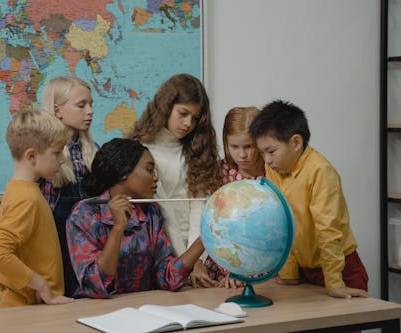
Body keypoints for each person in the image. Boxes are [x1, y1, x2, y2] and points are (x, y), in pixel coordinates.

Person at [249, 100, 369, 299]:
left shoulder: (320, 171)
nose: (267, 160)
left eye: (271, 151)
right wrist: (288, 273)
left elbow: (328, 230)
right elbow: (281, 222)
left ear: (296, 142)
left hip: (339, 269)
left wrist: (334, 282)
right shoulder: (273, 169)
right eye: (262, 153)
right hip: (305, 270)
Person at [66, 138, 206, 298]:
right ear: (124, 172)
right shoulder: (84, 214)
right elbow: (96, 285)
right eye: (149, 169)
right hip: (93, 313)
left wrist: (204, 240)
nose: (155, 178)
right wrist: (118, 228)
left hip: (141, 309)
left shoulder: (150, 212)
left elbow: (168, 278)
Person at [128, 73, 221, 288]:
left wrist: (196, 259)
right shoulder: (141, 151)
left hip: (194, 258)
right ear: (165, 107)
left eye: (195, 118)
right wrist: (184, 263)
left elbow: (199, 209)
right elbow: (164, 214)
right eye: (183, 113)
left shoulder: (197, 151)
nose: (188, 123)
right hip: (159, 256)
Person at [0, 110, 74, 308]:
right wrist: (41, 285)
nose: (61, 159)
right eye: (56, 153)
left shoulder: (21, 190)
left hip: (31, 309)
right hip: (23, 311)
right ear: (32, 156)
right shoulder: (26, 198)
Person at [40, 76, 98, 297]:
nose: (90, 111)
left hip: (89, 245)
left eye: (91, 104)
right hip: (57, 246)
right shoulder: (46, 157)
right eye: (81, 105)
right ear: (58, 111)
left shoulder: (94, 152)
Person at [205, 106, 265, 288]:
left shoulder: (272, 173)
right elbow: (214, 226)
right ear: (225, 142)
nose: (241, 154)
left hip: (266, 266)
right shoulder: (218, 173)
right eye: (234, 147)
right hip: (225, 266)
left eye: (248, 146)